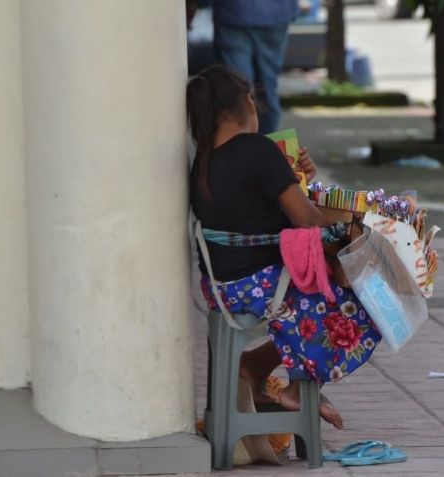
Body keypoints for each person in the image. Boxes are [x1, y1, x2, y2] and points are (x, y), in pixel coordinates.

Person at [187, 65, 381, 428]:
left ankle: (255, 366)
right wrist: (353, 224)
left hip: (222, 289)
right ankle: (303, 385)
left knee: (324, 289)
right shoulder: (257, 150)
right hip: (265, 287)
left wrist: (299, 180)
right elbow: (308, 222)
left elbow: (258, 216)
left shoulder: (204, 160)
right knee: (366, 298)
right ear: (248, 101)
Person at [211, 0, 297, 134]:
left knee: (237, 90)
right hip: (276, 12)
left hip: (233, 11)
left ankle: (241, 149)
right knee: (267, 87)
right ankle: (265, 147)